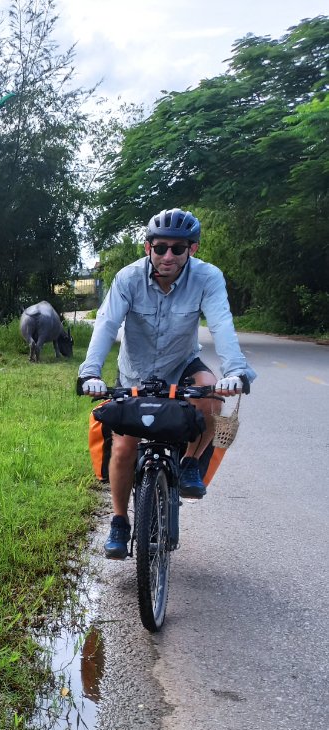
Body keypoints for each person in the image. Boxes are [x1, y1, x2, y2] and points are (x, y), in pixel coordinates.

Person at [77, 208, 256, 559]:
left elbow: (221, 323)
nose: (168, 256)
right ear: (148, 248)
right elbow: (106, 324)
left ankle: (189, 462)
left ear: (193, 249)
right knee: (125, 446)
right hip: (135, 373)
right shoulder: (127, 279)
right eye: (161, 248)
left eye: (178, 248)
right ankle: (118, 521)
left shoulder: (208, 277)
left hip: (182, 363)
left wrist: (237, 370)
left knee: (213, 391)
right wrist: (90, 373)